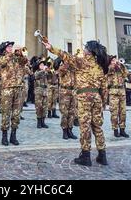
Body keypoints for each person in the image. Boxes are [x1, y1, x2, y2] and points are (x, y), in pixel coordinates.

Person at [44, 39, 109, 167]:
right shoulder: (99, 67)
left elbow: (65, 56)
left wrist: (51, 48)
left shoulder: (81, 62)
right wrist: (103, 103)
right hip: (96, 98)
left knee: (84, 126)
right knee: (97, 126)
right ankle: (102, 155)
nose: (83, 50)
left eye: (85, 48)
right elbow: (104, 88)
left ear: (88, 51)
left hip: (84, 96)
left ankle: (85, 156)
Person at [0, 42, 28, 147]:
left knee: (16, 114)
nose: (11, 48)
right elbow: (2, 64)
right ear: (5, 49)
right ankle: (4, 135)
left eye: (11, 47)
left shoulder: (17, 58)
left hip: (18, 89)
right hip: (7, 89)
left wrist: (22, 54)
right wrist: (11, 54)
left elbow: (25, 61)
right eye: (9, 47)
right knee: (6, 113)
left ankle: (13, 135)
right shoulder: (1, 58)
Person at [55, 55, 78, 141]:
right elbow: (62, 71)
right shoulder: (62, 67)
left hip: (73, 91)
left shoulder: (73, 69)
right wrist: (66, 63)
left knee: (72, 112)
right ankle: (64, 130)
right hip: (64, 91)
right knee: (65, 112)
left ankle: (70, 130)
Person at [107, 57, 129, 138]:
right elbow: (109, 71)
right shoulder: (109, 67)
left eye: (116, 60)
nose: (115, 61)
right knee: (114, 112)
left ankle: (122, 129)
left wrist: (122, 66)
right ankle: (115, 130)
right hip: (113, 92)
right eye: (113, 60)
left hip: (122, 91)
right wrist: (113, 65)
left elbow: (126, 74)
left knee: (123, 112)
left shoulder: (120, 68)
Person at [33, 57, 49, 129]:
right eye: (41, 65)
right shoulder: (37, 72)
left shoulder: (45, 72)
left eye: (43, 65)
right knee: (39, 107)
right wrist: (43, 70)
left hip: (45, 91)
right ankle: (39, 122)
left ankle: (43, 121)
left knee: (44, 107)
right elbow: (36, 76)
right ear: (38, 66)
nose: (43, 66)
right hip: (38, 90)